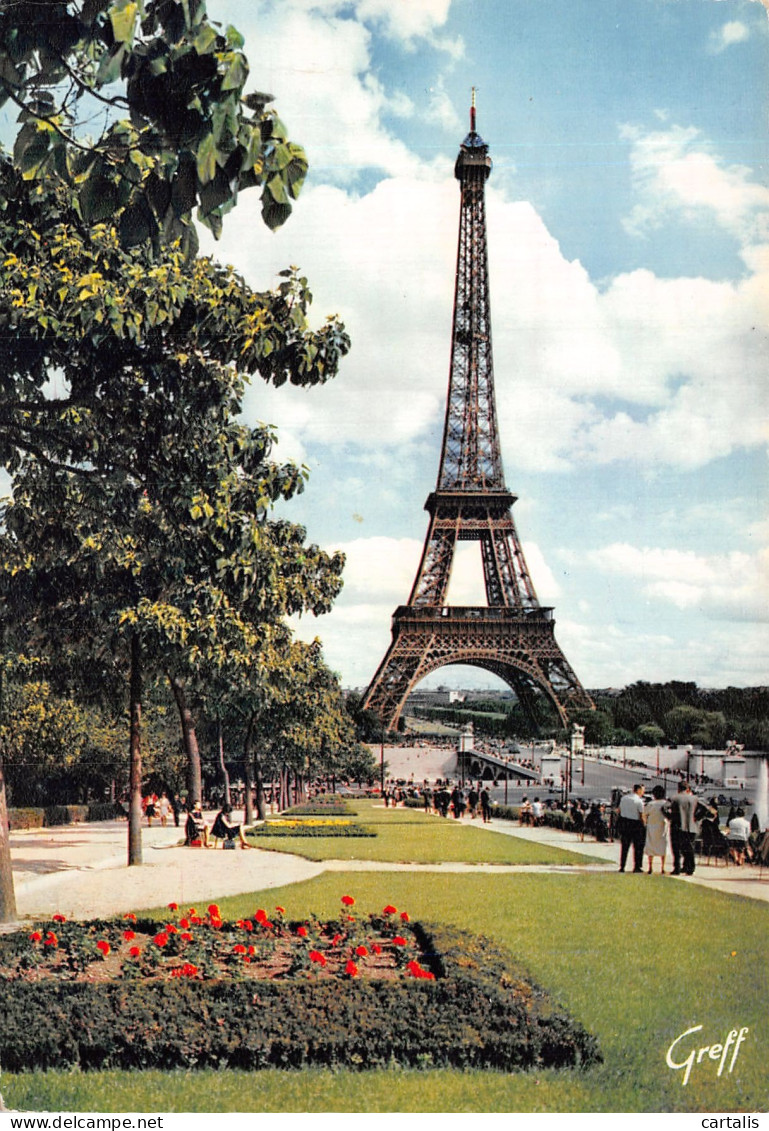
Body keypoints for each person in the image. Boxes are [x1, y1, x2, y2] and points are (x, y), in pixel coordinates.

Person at [669, 780, 698, 875]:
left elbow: (664, 808)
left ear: (678, 789)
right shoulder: (694, 798)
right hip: (691, 826)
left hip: (677, 826)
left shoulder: (674, 798)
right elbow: (706, 808)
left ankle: (677, 868)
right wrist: (696, 818)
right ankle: (690, 868)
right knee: (689, 849)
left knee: (676, 849)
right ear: (688, 789)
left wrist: (670, 817)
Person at [618, 784, 646, 873]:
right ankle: (637, 866)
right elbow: (641, 815)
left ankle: (622, 866)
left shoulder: (624, 798)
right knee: (638, 846)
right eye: (642, 790)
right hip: (635, 824)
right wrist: (644, 825)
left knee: (625, 846)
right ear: (638, 790)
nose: (643, 792)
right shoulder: (639, 801)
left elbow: (619, 810)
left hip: (624, 822)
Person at [644, 785, 670, 875]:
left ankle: (650, 867)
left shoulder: (651, 804)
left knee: (650, 846)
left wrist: (645, 822)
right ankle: (663, 867)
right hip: (663, 826)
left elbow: (644, 814)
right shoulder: (666, 803)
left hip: (651, 826)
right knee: (663, 846)